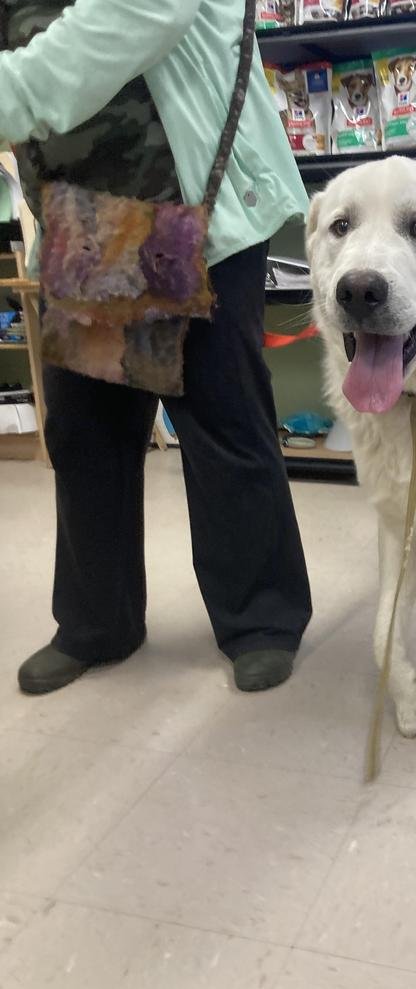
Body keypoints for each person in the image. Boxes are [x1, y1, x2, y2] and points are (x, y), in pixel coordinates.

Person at [0, 0, 313, 695]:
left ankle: (261, 618)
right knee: (87, 431)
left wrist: (11, 92)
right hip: (79, 218)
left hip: (190, 199)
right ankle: (97, 622)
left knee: (222, 419)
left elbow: (137, 16)